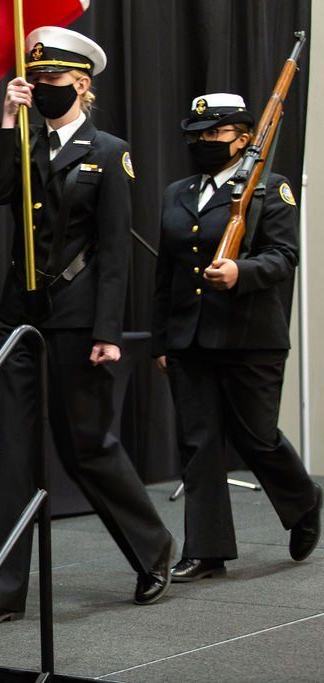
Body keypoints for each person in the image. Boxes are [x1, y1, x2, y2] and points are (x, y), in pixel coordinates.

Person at [0, 26, 175, 629]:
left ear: (82, 84)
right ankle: (0, 589)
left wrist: (108, 330)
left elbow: (115, 250)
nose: (42, 88)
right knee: (12, 453)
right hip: (20, 316)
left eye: (53, 79)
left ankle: (152, 549)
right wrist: (7, 120)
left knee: (86, 446)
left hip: (79, 315)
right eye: (35, 80)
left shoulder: (108, 151)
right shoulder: (24, 141)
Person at [153, 92, 322, 582]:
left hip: (250, 337)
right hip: (189, 338)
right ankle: (207, 551)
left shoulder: (271, 188)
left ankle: (303, 499)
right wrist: (162, 340)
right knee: (198, 443)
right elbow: (166, 273)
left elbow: (284, 256)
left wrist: (239, 272)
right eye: (197, 134)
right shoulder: (177, 192)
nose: (203, 141)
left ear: (244, 138)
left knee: (257, 438)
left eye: (215, 133)